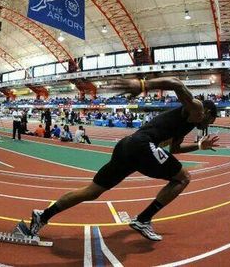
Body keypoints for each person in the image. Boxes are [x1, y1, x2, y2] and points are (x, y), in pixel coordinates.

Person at [28, 77, 219, 241]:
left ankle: (43, 215)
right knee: (183, 177)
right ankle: (143, 219)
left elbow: (174, 149)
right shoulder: (197, 108)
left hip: (127, 146)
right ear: (208, 114)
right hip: (143, 145)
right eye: (209, 123)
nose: (206, 127)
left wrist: (200, 146)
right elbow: (176, 83)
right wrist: (143, 85)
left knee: (92, 191)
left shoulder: (187, 125)